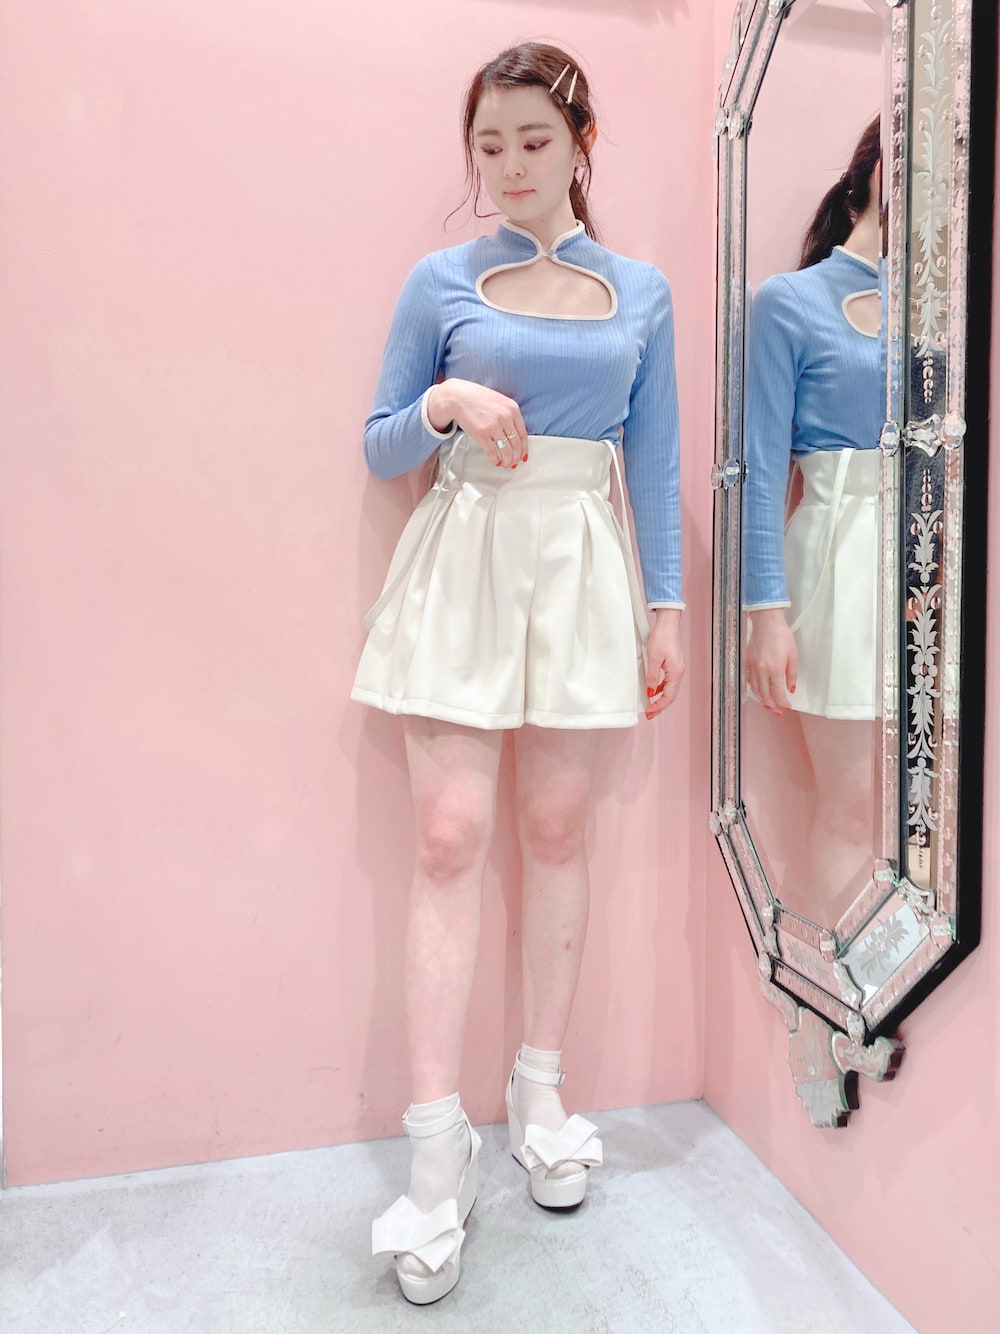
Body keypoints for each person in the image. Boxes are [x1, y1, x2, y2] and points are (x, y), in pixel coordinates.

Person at [351, 43, 684, 1305]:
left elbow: (652, 459)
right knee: (447, 836)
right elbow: (381, 442)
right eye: (488, 146)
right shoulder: (441, 280)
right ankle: (436, 1149)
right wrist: (444, 401)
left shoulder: (639, 291)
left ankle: (539, 1091)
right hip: (466, 556)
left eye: (533, 142)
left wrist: (665, 606)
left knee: (554, 830)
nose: (508, 167)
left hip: (581, 564)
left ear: (581, 142)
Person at [742, 115, 883, 917]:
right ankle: (844, 983)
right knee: (854, 806)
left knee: (936, 821)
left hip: (938, 563)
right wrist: (767, 612)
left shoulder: (949, 310)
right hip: (838, 557)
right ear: (877, 167)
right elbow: (761, 468)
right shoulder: (791, 302)